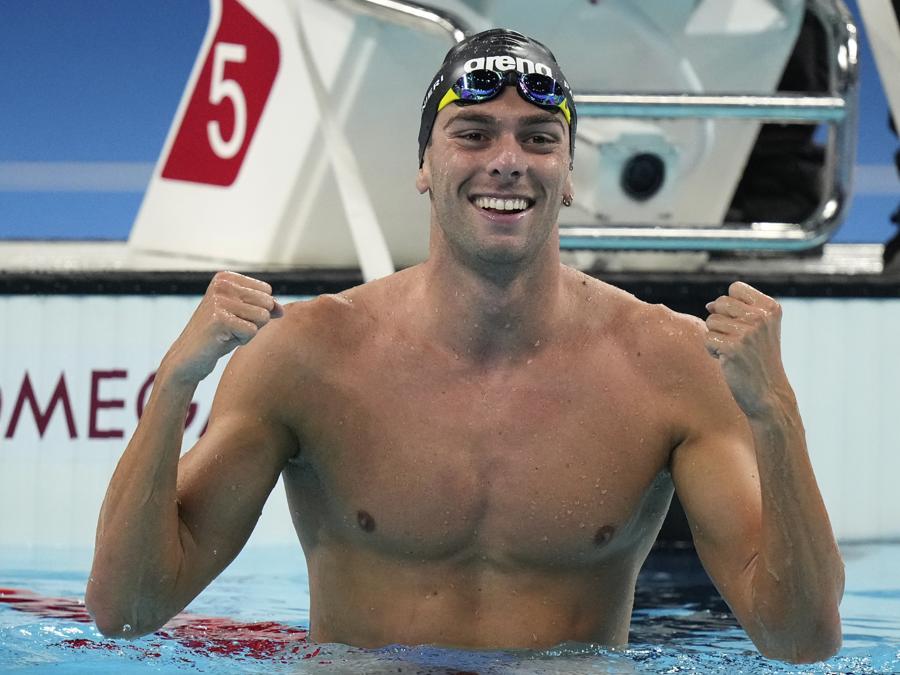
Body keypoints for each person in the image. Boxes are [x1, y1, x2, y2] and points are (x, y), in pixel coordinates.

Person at [86, 29, 844, 662]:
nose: (507, 159)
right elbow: (125, 608)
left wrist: (777, 414)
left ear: (569, 173)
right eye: (473, 134)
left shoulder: (669, 366)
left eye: (539, 138)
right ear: (424, 166)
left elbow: (801, 640)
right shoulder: (307, 355)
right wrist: (174, 386)